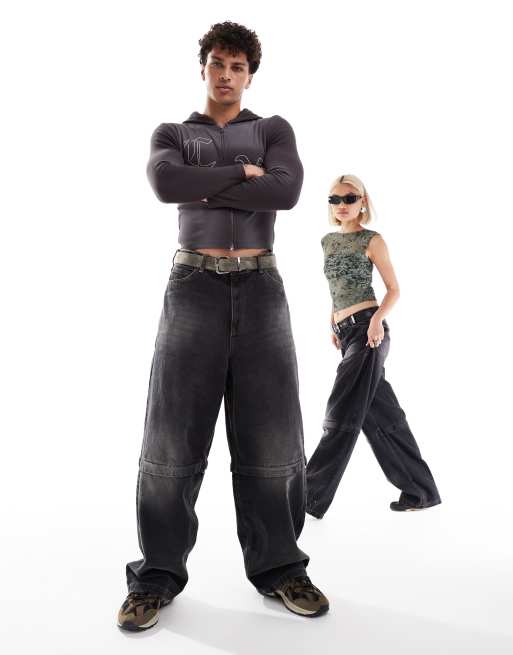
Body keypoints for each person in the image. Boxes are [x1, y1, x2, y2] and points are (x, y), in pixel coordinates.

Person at [117, 21, 329, 631]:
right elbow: (167, 184)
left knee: (273, 436)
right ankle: (156, 577)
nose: (227, 75)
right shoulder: (173, 133)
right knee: (171, 438)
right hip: (193, 286)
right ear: (204, 67)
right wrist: (245, 176)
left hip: (262, 287)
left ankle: (281, 568)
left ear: (250, 75)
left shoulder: (273, 129)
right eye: (218, 63)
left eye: (238, 67)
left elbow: (286, 194)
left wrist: (209, 186)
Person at [305, 174, 442, 520]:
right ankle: (420, 491)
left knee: (340, 412)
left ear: (363, 202)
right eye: (334, 199)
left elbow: (394, 289)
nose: (341, 205)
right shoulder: (327, 241)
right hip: (345, 333)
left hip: (368, 333)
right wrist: (332, 320)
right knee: (383, 415)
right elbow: (337, 287)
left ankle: (306, 496)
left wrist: (377, 320)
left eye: (349, 198)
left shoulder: (372, 239)